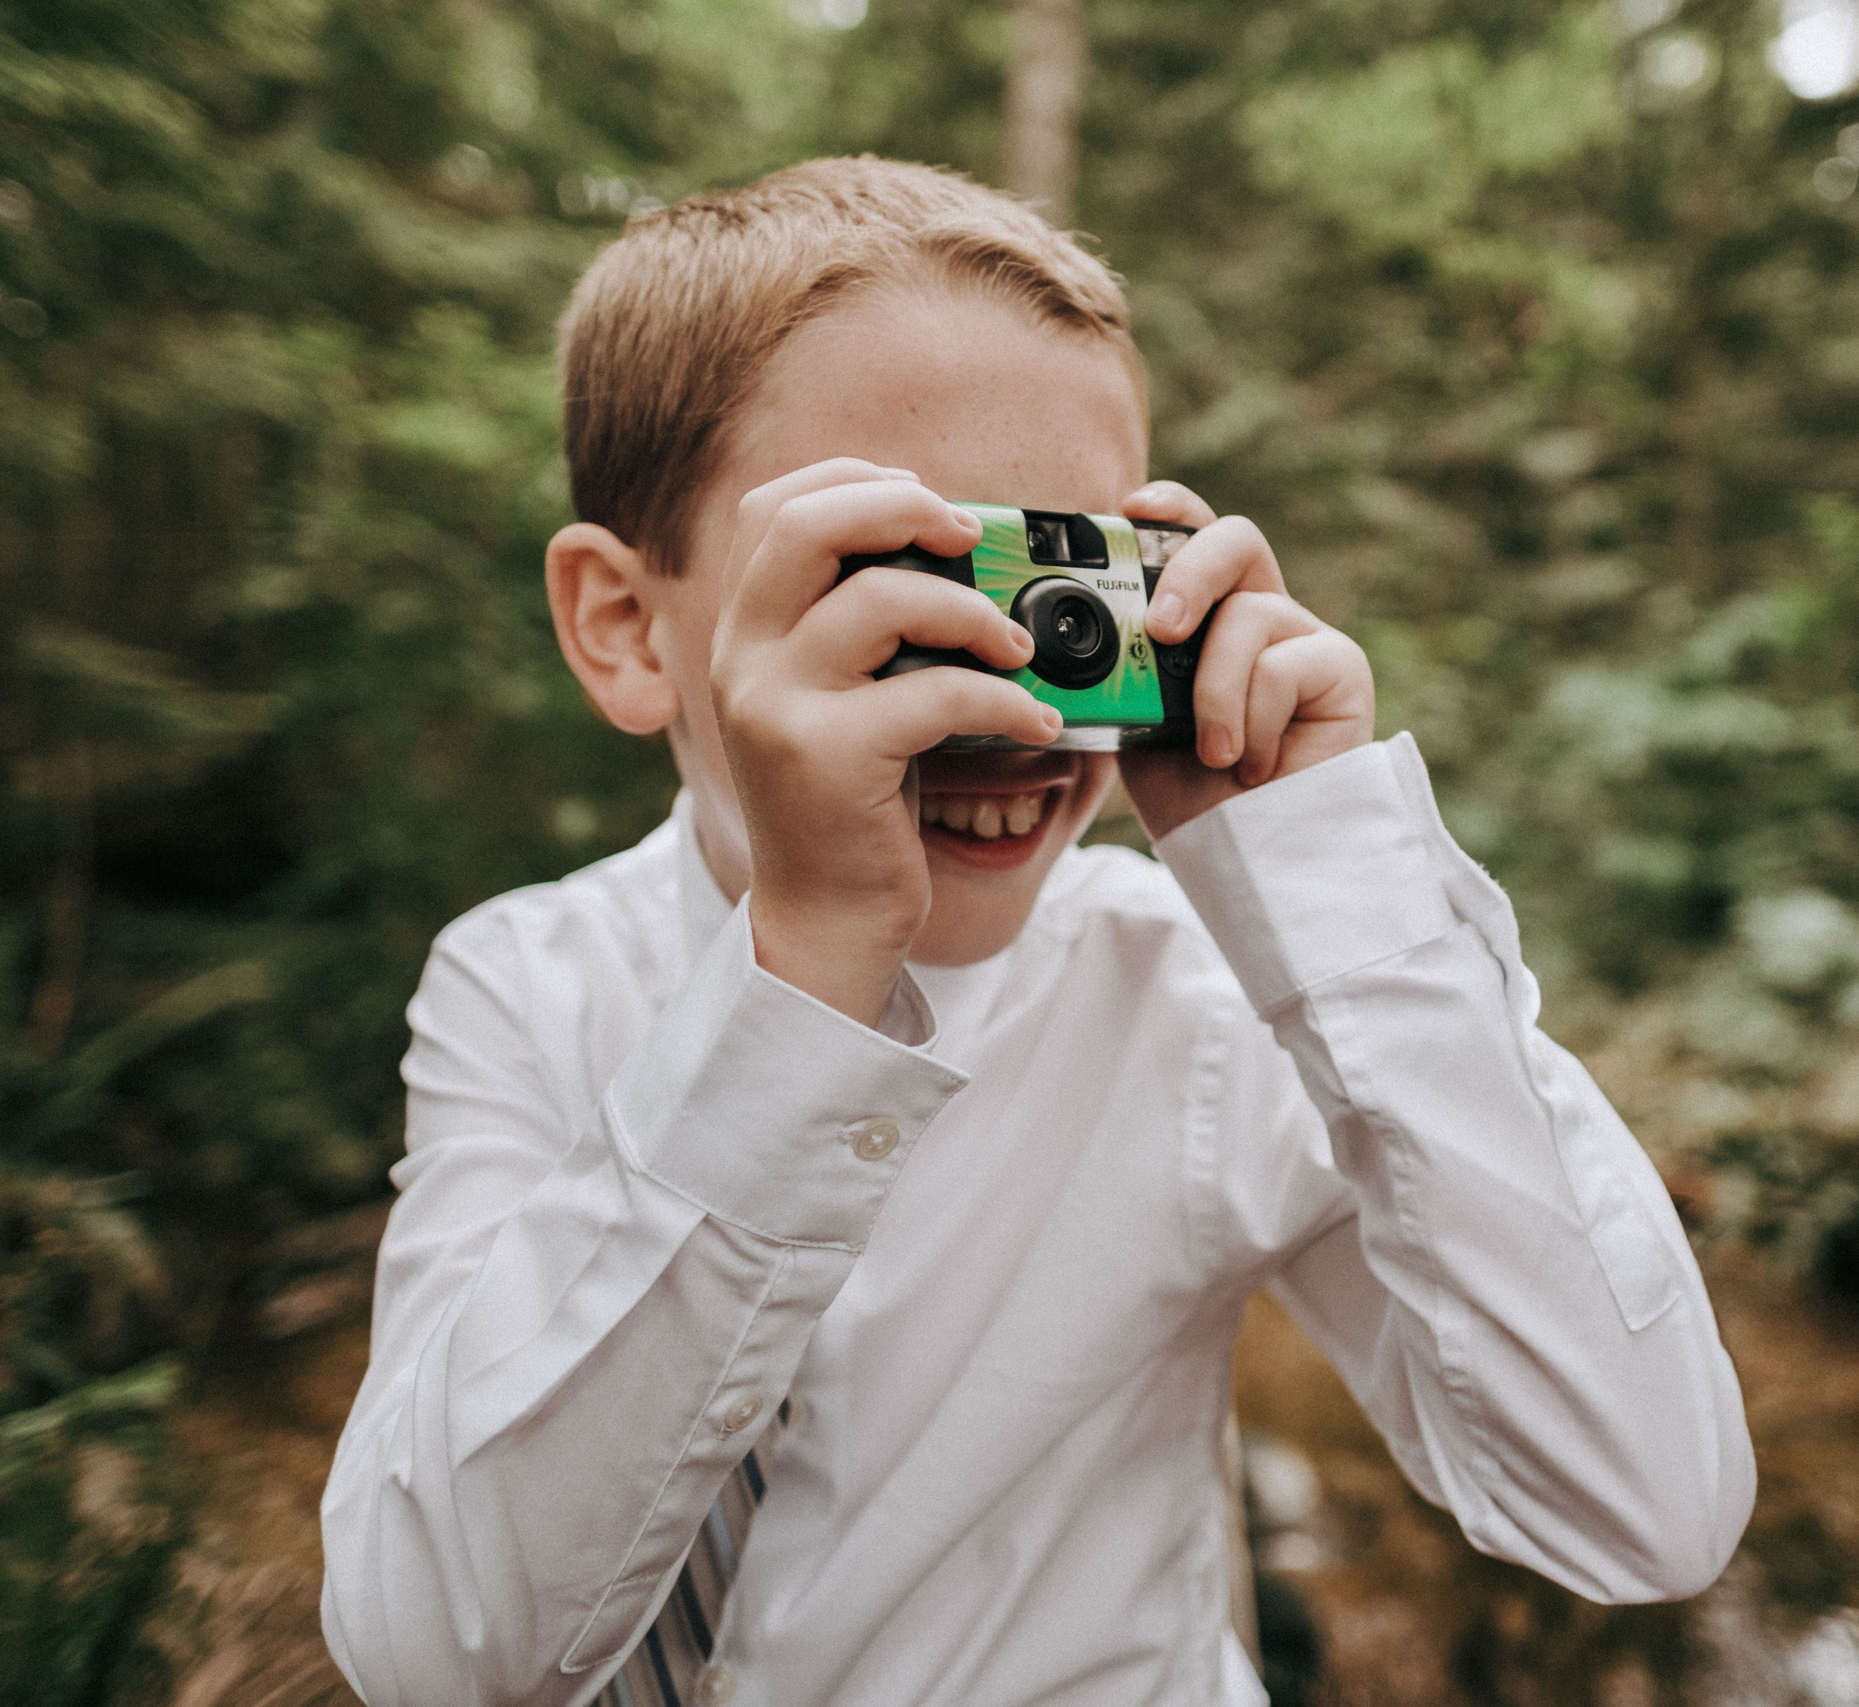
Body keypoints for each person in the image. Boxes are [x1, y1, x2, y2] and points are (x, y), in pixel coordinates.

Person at [318, 156, 1755, 1707]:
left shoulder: (1201, 999)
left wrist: (1335, 882)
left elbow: (1643, 1510)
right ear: (625, 625)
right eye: (901, 585)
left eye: (1077, 584)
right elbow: (434, 1656)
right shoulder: (525, 984)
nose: (1010, 696)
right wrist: (807, 966)